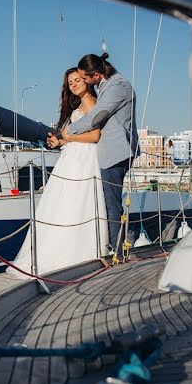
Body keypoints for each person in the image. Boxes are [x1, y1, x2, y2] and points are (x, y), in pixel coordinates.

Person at [8, 68, 108, 277]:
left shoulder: (89, 101)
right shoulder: (82, 103)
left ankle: (73, 256)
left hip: (83, 159)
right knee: (67, 204)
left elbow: (95, 136)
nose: (73, 84)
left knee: (74, 204)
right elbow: (82, 133)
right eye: (70, 82)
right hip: (74, 157)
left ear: (87, 80)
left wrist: (68, 139)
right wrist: (61, 141)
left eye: (77, 80)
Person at [62, 53, 138, 254]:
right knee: (109, 202)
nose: (83, 82)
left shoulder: (117, 87)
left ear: (96, 75)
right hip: (111, 151)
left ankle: (117, 251)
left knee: (112, 204)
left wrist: (69, 132)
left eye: (84, 78)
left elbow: (97, 115)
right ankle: (115, 246)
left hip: (116, 151)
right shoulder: (106, 84)